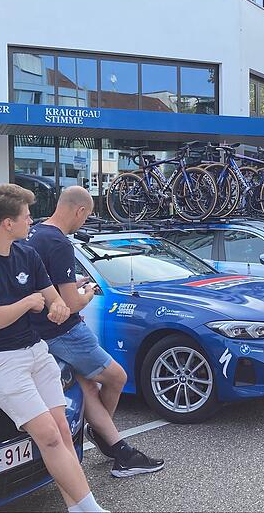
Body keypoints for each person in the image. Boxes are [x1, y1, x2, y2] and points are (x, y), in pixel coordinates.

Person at [0, 184, 106, 513]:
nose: (31, 222)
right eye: (26, 217)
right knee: (49, 436)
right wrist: (29, 303)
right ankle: (91, 509)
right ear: (7, 223)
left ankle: (79, 507)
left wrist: (57, 307)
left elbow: (53, 299)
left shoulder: (27, 254)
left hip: (35, 351)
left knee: (62, 431)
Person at [24, 186, 164, 478]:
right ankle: (105, 437)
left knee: (88, 387)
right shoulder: (60, 243)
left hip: (38, 329)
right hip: (64, 330)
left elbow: (43, 283)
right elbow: (72, 304)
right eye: (85, 218)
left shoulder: (35, 232)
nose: (83, 223)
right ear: (80, 211)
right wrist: (87, 292)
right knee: (116, 377)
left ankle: (116, 447)